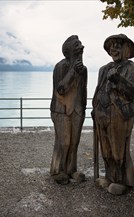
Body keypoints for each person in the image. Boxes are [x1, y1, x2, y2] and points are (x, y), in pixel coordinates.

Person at [92, 34, 134, 195]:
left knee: (119, 150)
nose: (114, 48)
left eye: (118, 45)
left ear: (126, 49)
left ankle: (123, 181)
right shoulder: (103, 69)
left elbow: (131, 92)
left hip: (119, 114)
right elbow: (98, 89)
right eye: (112, 46)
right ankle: (110, 177)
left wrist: (118, 79)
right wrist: (94, 107)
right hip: (102, 113)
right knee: (105, 149)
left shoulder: (131, 67)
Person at [50, 35, 88, 184]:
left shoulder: (83, 70)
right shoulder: (61, 66)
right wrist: (73, 71)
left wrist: (84, 108)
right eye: (77, 46)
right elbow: (60, 89)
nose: (81, 48)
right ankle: (57, 170)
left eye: (81, 45)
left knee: (74, 142)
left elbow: (83, 90)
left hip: (77, 110)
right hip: (61, 110)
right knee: (63, 141)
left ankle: (71, 169)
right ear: (68, 51)